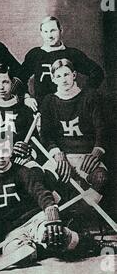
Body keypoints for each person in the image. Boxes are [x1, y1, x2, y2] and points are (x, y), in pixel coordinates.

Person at [0, 134, 85, 262]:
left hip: (34, 220)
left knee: (55, 235)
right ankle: (47, 250)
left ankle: (88, 243)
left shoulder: (24, 172)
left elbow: (41, 193)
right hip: (13, 230)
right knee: (16, 255)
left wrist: (51, 211)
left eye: (5, 151)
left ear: (10, 152)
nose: (1, 156)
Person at [40, 58, 108, 194]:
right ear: (53, 79)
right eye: (58, 76)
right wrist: (57, 154)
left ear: (74, 75)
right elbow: (46, 135)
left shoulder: (90, 96)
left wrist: (96, 152)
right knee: (43, 180)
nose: (63, 79)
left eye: (66, 74)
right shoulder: (49, 101)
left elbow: (102, 129)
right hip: (63, 155)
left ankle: (84, 211)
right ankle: (60, 212)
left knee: (101, 178)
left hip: (87, 154)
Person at [20, 16, 104, 111]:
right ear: (41, 33)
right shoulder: (35, 54)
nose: (49, 36)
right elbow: (20, 78)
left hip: (69, 108)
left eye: (53, 31)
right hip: (42, 108)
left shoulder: (72, 54)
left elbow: (97, 72)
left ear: (61, 30)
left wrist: (83, 95)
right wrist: (26, 98)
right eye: (46, 32)